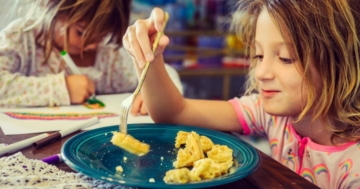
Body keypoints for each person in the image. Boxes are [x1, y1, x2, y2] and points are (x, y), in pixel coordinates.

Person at [122, 0, 360, 188]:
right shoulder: (268, 112)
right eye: (258, 55)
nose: (261, 72)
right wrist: (149, 59)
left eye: (286, 58)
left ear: (341, 63)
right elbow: (175, 112)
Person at [0, 0, 183, 115]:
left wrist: (153, 94)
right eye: (81, 32)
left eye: (100, 36)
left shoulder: (109, 55)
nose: (91, 45)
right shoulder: (22, 38)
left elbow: (169, 74)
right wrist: (62, 88)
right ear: (50, 6)